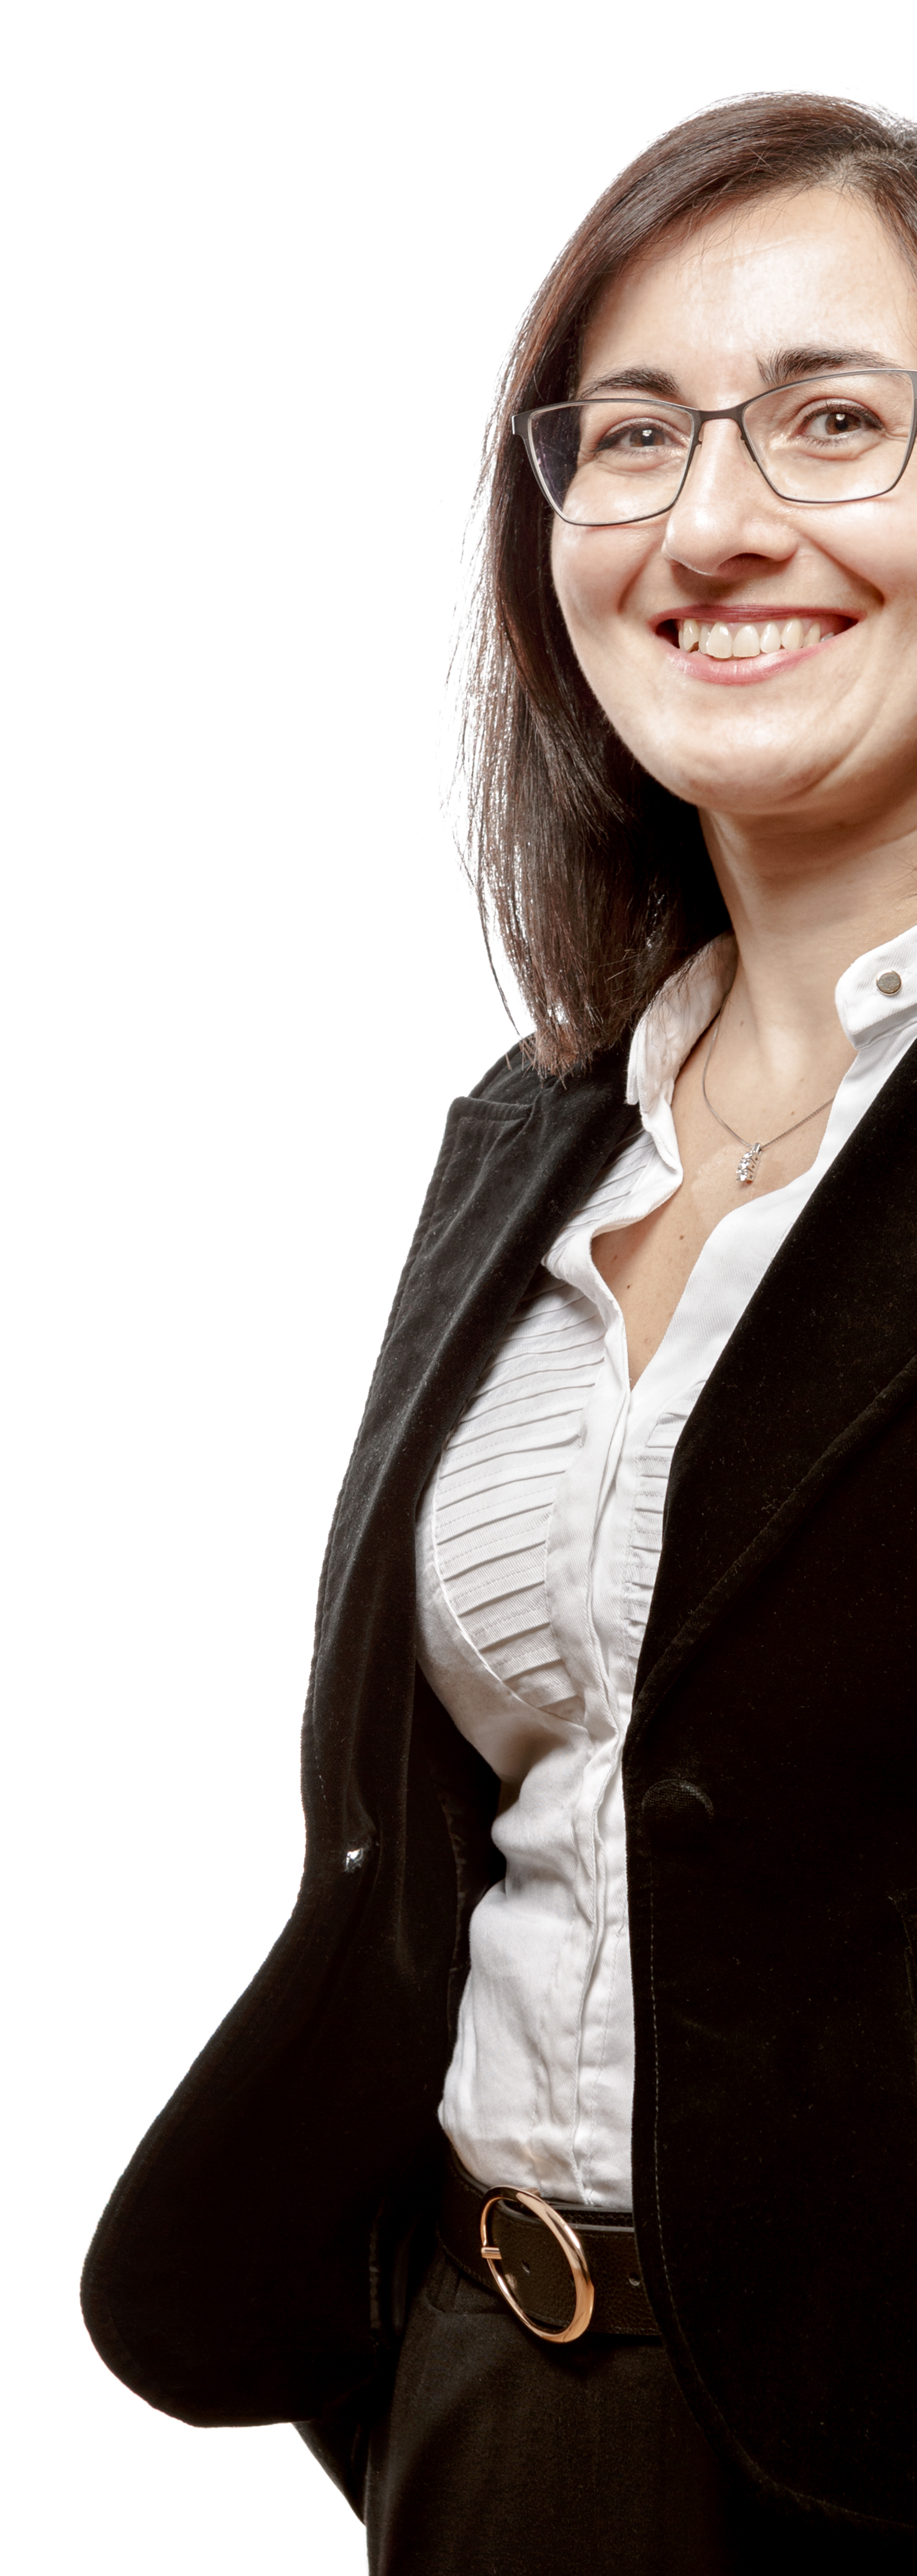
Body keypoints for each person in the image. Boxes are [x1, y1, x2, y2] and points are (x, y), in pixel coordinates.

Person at [82, 91, 917, 2569]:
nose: (710, 519)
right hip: (498, 2398)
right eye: (629, 435)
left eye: (834, 419)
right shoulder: (543, 1130)